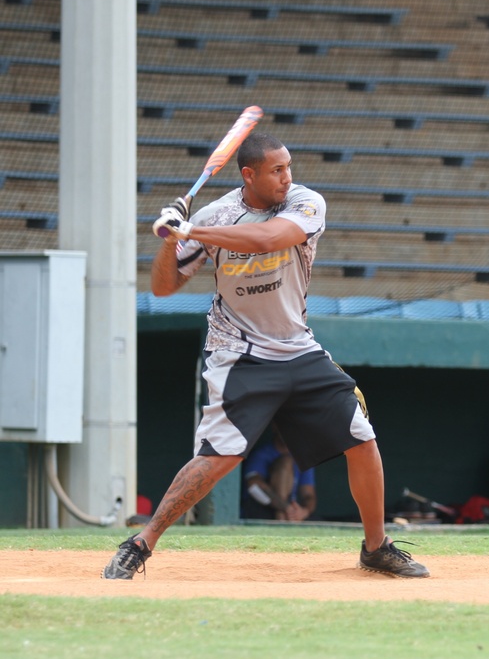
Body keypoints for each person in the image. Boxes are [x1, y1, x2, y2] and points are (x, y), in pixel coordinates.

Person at [102, 132, 428, 579]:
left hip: (297, 346)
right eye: (277, 170)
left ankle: (376, 547)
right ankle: (141, 543)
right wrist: (169, 238)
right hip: (238, 352)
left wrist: (191, 229)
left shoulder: (304, 203)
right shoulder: (217, 214)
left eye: (289, 167)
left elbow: (267, 240)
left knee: (361, 436)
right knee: (221, 456)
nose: (287, 177)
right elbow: (163, 285)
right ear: (248, 174)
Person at [243, 432, 317, 522]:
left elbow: (309, 495)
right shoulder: (261, 454)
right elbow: (253, 485)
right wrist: (285, 507)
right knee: (285, 462)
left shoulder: (303, 457)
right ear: (276, 426)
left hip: (292, 513)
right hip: (263, 509)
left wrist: (303, 512)